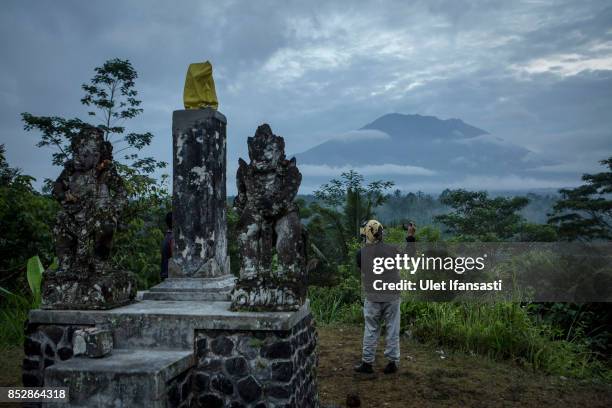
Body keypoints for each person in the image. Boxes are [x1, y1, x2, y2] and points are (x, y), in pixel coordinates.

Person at [354, 220, 401, 374]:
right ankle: (392, 362)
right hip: (392, 296)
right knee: (392, 329)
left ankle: (367, 363)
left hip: (373, 296)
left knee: (371, 329)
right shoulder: (392, 249)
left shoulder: (361, 254)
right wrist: (410, 237)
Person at [160, 212, 173, 280]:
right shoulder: (172, 238)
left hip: (166, 273)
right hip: (170, 275)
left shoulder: (167, 236)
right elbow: (173, 256)